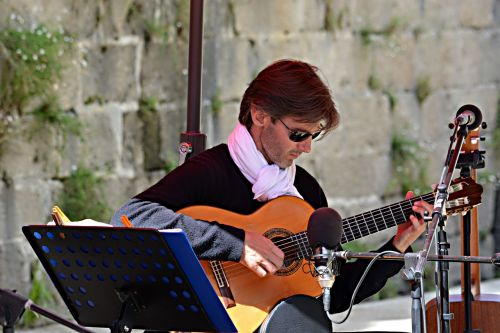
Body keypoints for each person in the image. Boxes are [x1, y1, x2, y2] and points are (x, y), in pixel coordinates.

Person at [111, 59, 431, 317]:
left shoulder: (305, 191)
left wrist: (398, 244)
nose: (307, 148)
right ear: (260, 114)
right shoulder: (212, 170)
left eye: (313, 136)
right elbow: (132, 215)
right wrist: (235, 243)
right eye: (298, 134)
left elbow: (332, 297)